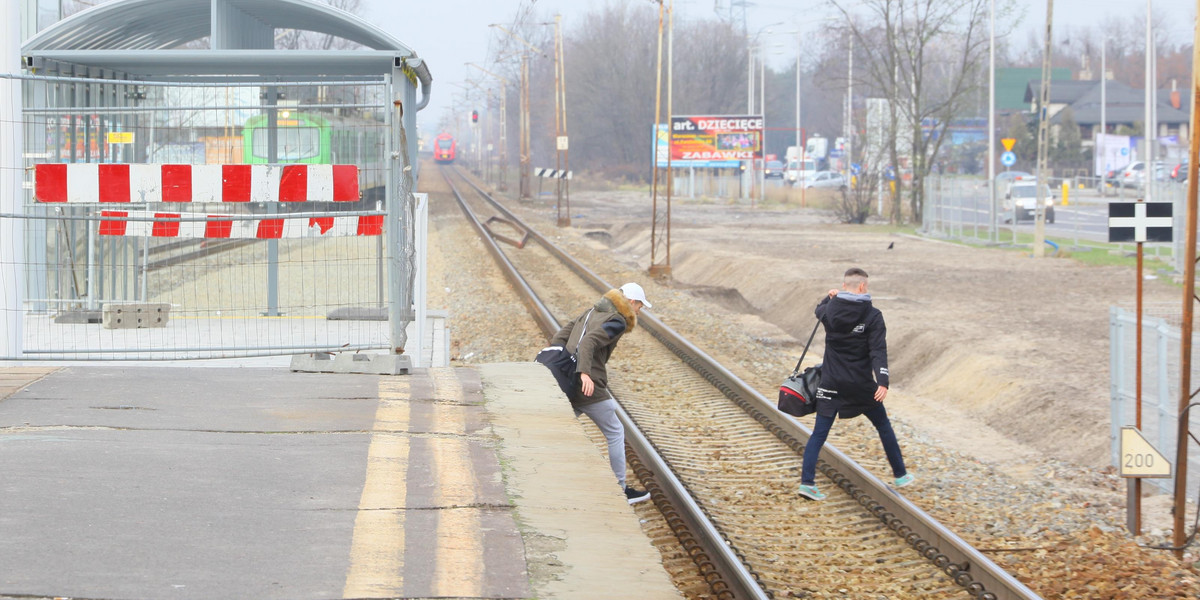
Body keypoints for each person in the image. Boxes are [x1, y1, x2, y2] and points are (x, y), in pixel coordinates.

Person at [797, 268, 912, 501]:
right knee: (882, 424)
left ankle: (807, 483)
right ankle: (900, 474)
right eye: (866, 286)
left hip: (830, 383)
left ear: (844, 285)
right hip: (860, 385)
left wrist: (828, 297)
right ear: (861, 287)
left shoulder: (830, 310)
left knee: (819, 434)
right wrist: (883, 382)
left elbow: (818, 310)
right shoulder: (873, 316)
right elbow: (878, 351)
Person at [547, 282, 654, 504]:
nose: (639, 311)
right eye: (640, 306)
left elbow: (563, 333)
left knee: (559, 427)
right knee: (615, 431)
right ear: (631, 302)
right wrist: (584, 373)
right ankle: (620, 490)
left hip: (568, 379)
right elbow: (589, 342)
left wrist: (558, 362)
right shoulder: (618, 320)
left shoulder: (594, 310)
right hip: (588, 386)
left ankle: (547, 473)